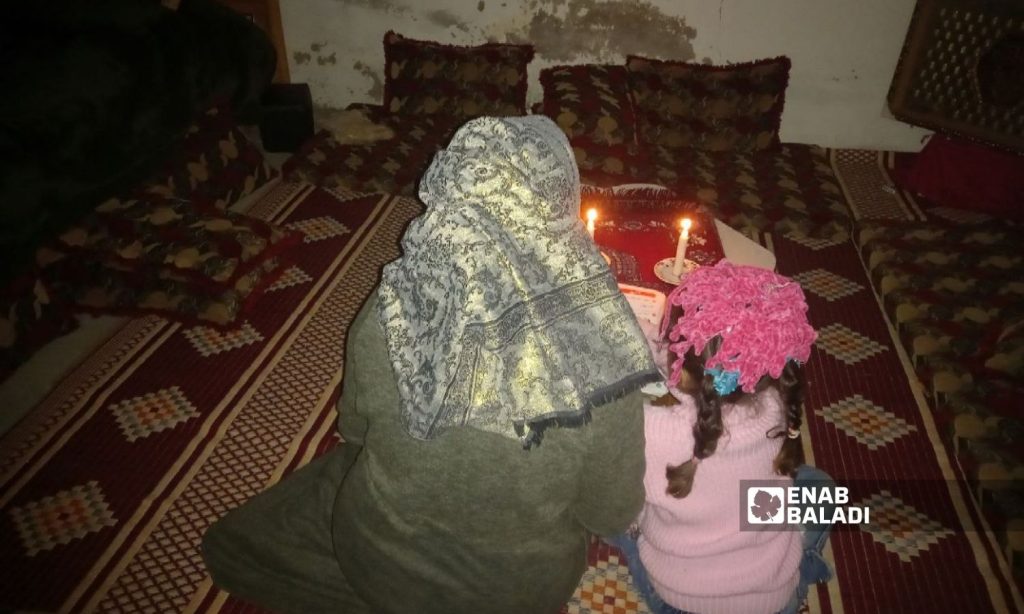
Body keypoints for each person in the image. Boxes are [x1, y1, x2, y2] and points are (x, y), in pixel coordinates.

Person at [201, 115, 660, 613]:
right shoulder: (602, 348)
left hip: (375, 561)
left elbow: (354, 431)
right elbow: (611, 512)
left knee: (236, 542)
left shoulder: (389, 305)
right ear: (559, 203)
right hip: (517, 594)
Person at [609, 260, 834, 614]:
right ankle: (802, 568)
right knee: (818, 484)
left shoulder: (654, 428)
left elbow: (621, 505)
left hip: (684, 599)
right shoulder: (775, 404)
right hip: (773, 594)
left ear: (677, 362)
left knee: (609, 514)